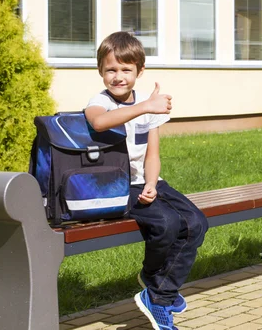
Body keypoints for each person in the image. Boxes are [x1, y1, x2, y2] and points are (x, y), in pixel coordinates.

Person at [85, 31, 208, 330]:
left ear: (139, 71)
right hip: (117, 186)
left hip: (147, 180)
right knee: (165, 224)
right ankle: (159, 293)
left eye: (126, 69)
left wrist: (152, 182)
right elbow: (99, 122)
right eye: (111, 69)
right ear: (100, 71)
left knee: (195, 223)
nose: (118, 76)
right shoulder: (99, 102)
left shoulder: (146, 104)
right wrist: (145, 107)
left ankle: (157, 290)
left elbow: (152, 153)